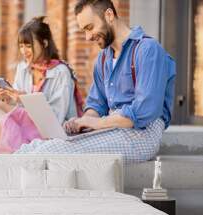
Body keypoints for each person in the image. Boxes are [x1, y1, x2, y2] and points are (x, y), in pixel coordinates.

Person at [16, 0, 176, 164]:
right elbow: (97, 104)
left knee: (53, 152)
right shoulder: (104, 58)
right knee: (32, 147)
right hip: (112, 128)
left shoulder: (148, 49)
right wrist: (82, 123)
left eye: (90, 27)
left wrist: (97, 123)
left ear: (109, 15)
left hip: (142, 134)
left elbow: (143, 111)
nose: (87, 37)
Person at [0, 16, 83, 153]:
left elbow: (56, 117)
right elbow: (16, 109)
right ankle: (19, 148)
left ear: (45, 43)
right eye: (21, 46)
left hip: (49, 129)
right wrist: (7, 97)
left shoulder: (61, 72)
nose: (24, 51)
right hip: (26, 127)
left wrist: (27, 99)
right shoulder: (23, 68)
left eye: (29, 46)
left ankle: (17, 149)